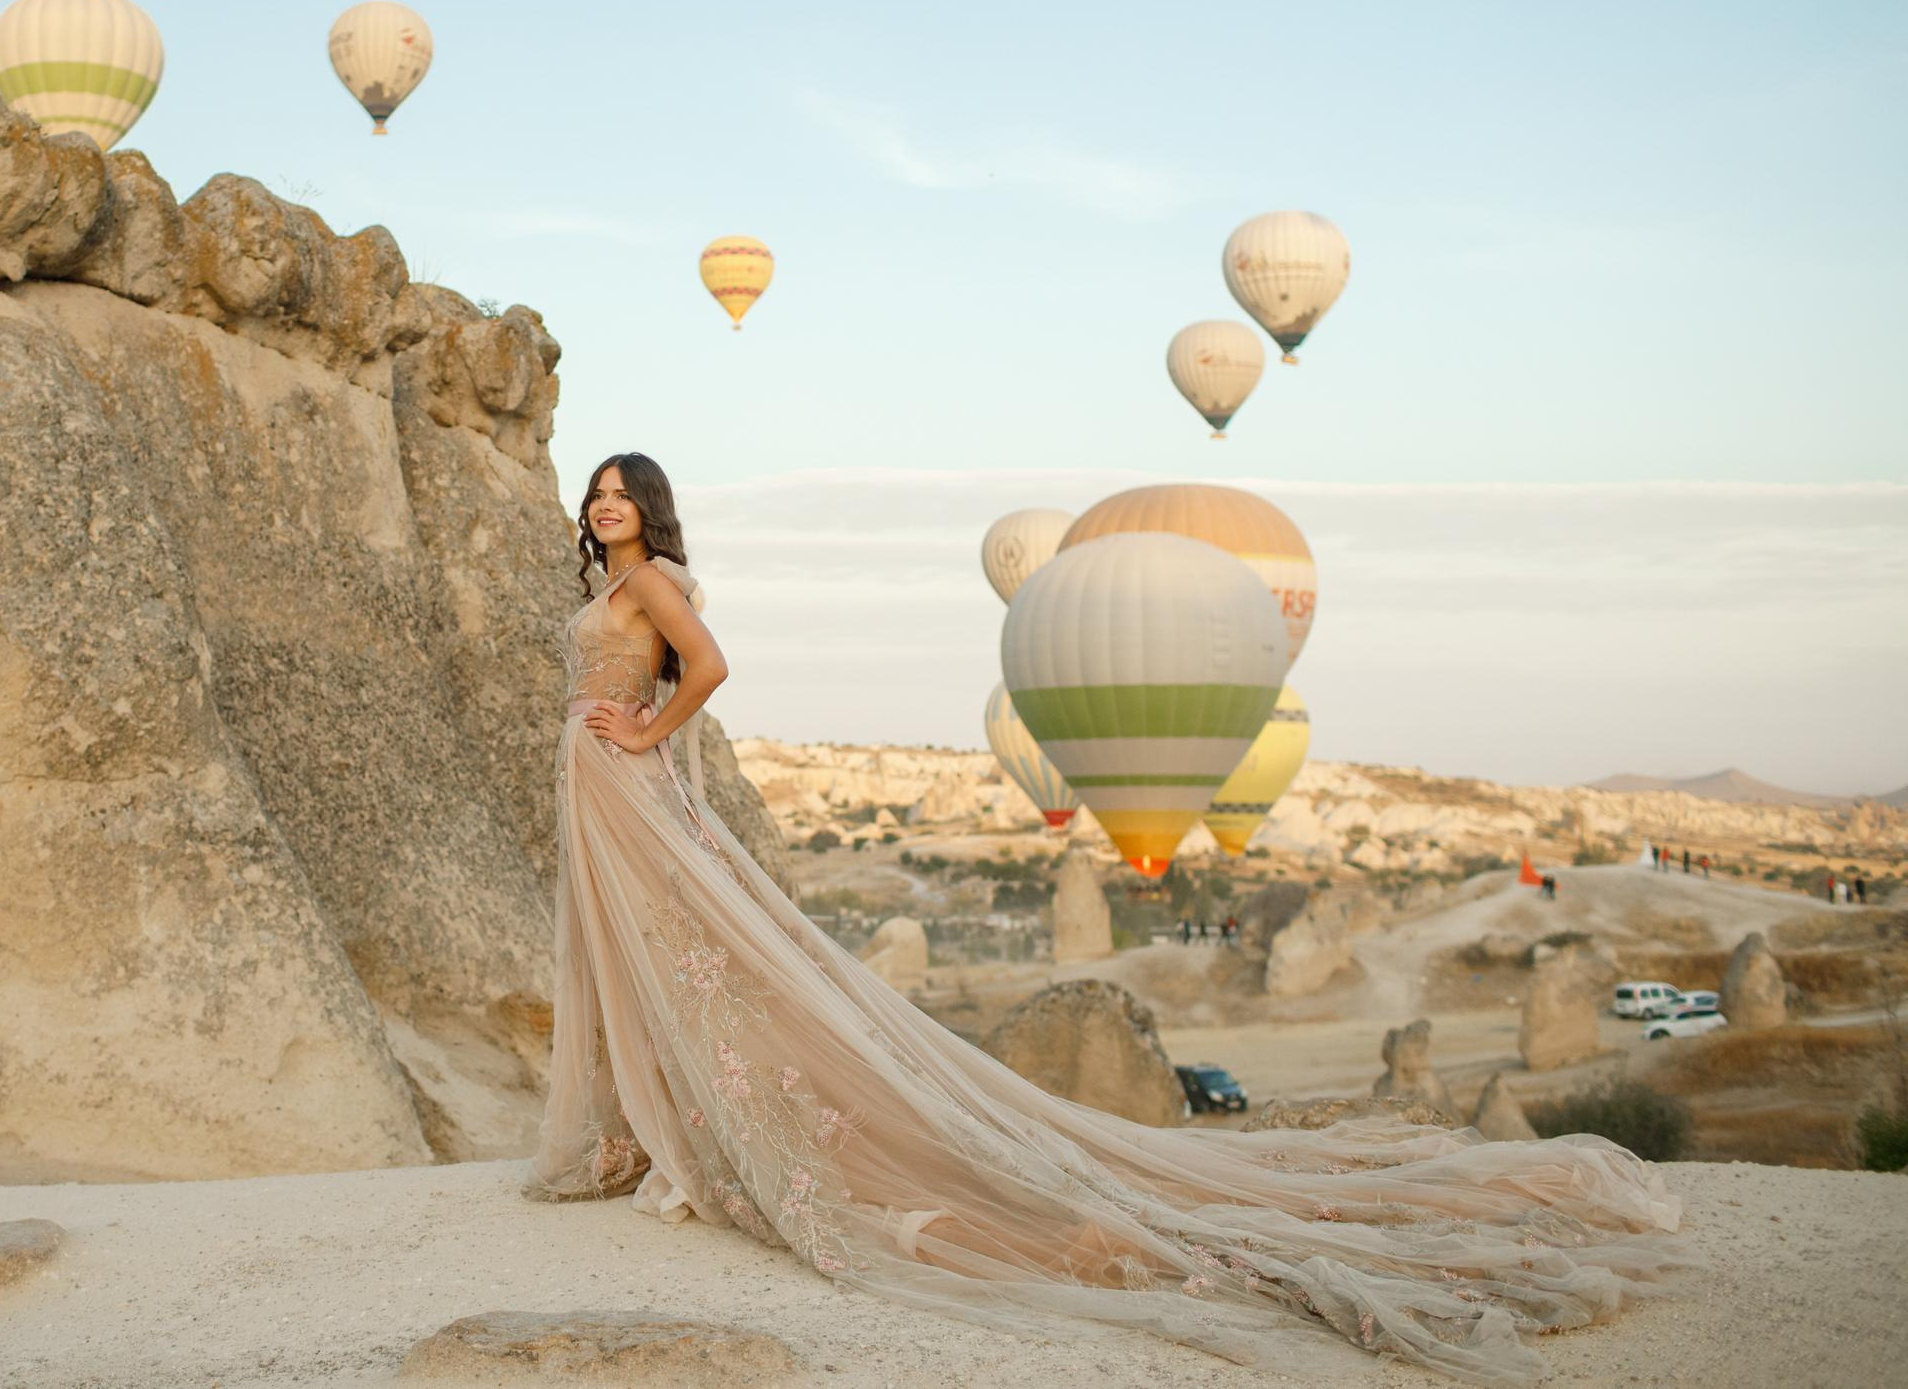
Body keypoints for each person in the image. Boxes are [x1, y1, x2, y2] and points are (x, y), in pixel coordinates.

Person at [529, 452, 1684, 1380]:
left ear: (650, 510)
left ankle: (691, 1135)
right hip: (604, 788)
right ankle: (651, 1129)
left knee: (690, 947)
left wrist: (643, 732)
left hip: (625, 777)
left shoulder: (650, 585)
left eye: (622, 493)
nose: (604, 504)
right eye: (596, 493)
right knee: (635, 952)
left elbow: (710, 667)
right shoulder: (608, 589)